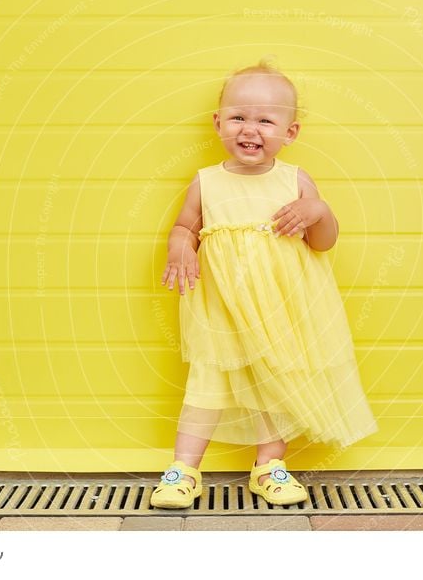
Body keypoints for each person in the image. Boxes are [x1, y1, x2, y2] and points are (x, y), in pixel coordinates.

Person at [150, 59, 378, 509]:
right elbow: (185, 226)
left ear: (289, 133)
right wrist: (180, 245)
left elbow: (323, 243)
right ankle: (183, 470)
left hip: (280, 309)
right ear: (218, 123)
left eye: (265, 120)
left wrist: (320, 211)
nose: (249, 129)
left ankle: (269, 466)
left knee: (275, 382)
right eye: (238, 117)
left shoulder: (295, 181)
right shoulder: (206, 182)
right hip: (220, 307)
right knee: (208, 380)